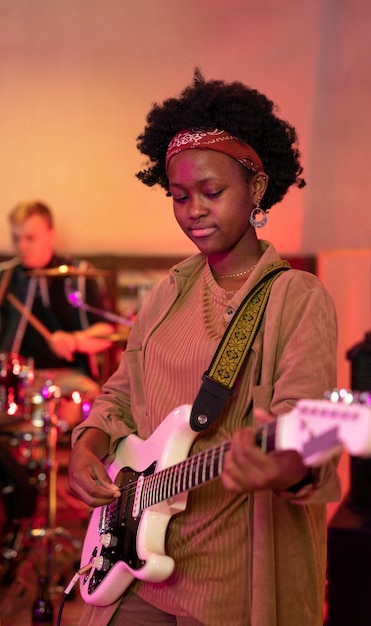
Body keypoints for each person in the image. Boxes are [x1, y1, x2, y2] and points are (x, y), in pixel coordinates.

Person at [68, 69, 340, 626]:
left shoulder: (297, 298)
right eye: (180, 196)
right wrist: (87, 445)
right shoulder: (166, 293)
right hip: (137, 562)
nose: (194, 210)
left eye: (212, 193)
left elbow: (304, 430)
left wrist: (281, 464)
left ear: (256, 189)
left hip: (233, 581)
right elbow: (120, 394)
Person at [0, 200, 115, 398]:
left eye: (30, 238)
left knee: (91, 398)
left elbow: (106, 333)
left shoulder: (78, 275)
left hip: (66, 378)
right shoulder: (4, 277)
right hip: (14, 380)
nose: (22, 246)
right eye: (16, 238)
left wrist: (73, 341)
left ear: (51, 236)